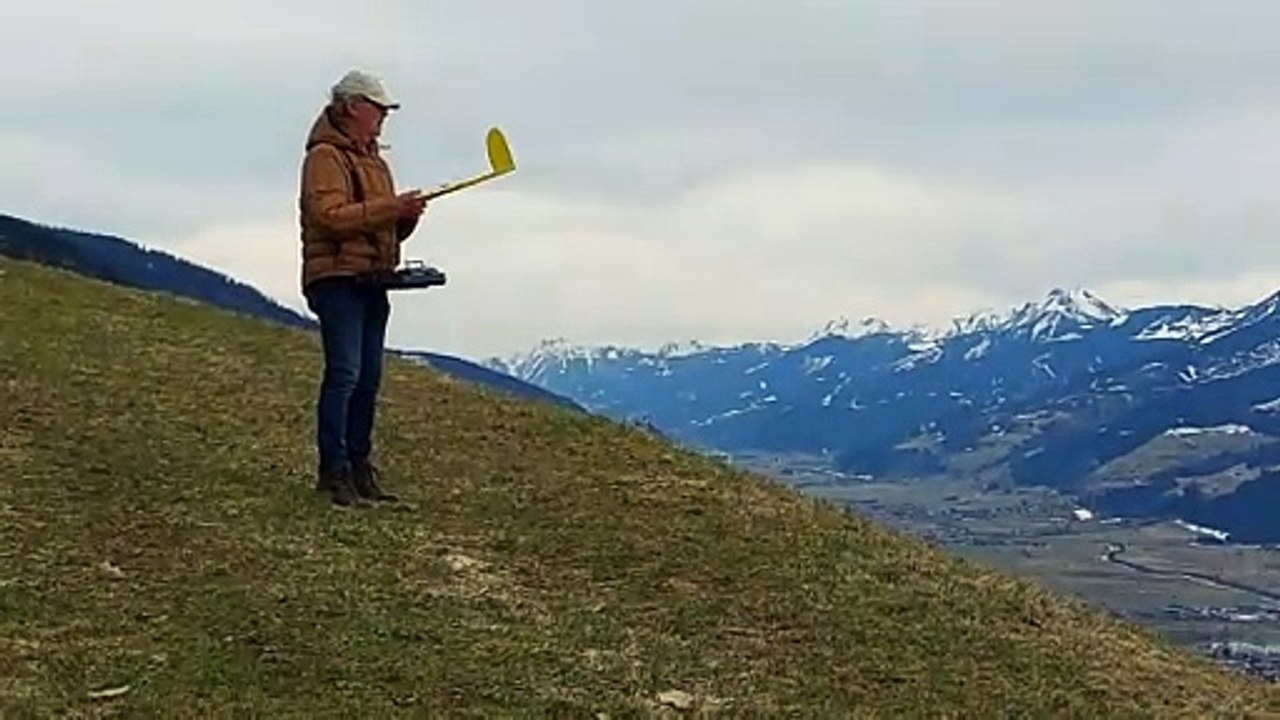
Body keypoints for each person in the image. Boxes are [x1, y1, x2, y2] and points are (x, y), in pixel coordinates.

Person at [297, 69, 428, 506]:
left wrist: (403, 220)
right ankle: (333, 472)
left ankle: (359, 469)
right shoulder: (324, 158)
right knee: (346, 374)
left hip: (373, 280)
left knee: (368, 378)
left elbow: (375, 227)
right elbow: (330, 218)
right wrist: (392, 207)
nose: (383, 118)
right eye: (378, 109)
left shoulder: (375, 161)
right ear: (353, 106)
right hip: (336, 279)